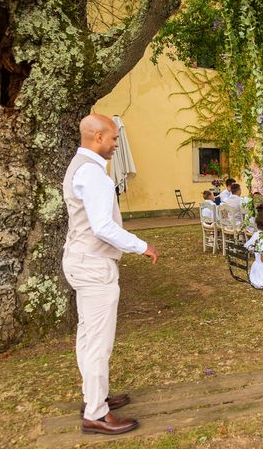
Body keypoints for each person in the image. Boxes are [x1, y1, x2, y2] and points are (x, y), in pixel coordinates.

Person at [62, 114, 159, 435]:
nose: (117, 144)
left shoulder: (77, 166)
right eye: (114, 138)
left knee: (87, 335)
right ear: (98, 137)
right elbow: (103, 226)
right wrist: (141, 245)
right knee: (97, 343)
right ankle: (96, 414)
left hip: (78, 259)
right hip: (93, 264)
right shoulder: (94, 176)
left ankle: (95, 396)